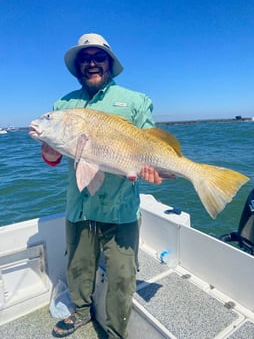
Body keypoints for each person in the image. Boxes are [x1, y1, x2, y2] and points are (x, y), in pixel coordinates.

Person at [42, 33, 162, 339]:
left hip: (121, 206)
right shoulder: (63, 104)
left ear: (109, 63)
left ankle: (114, 329)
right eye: (85, 58)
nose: (91, 63)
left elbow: (150, 144)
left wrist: (153, 169)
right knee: (79, 266)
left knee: (123, 274)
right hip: (79, 204)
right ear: (78, 66)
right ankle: (81, 312)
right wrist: (49, 149)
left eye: (98, 57)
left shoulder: (136, 101)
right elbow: (51, 156)